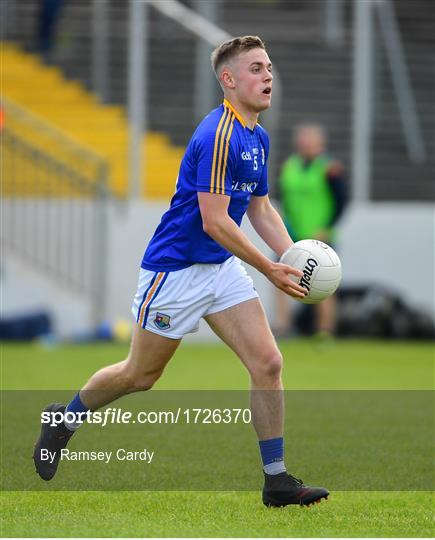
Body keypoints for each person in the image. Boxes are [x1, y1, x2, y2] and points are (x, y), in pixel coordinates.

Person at [33, 36, 329, 507]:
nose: (268, 75)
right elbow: (214, 221)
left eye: (269, 66)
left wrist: (294, 258)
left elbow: (260, 208)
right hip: (175, 272)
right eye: (256, 68)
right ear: (228, 81)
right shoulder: (217, 134)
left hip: (221, 267)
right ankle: (63, 420)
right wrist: (270, 269)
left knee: (268, 363)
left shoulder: (258, 135)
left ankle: (276, 480)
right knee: (139, 376)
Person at [274, 124, 347, 338]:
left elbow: (341, 201)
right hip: (291, 234)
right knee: (279, 277)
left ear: (320, 142)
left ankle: (324, 330)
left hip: (319, 237)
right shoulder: (290, 166)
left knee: (324, 281)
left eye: (310, 140)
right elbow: (281, 197)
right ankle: (283, 326)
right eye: (303, 139)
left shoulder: (330, 168)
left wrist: (327, 227)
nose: (305, 144)